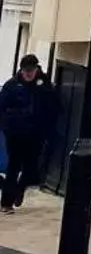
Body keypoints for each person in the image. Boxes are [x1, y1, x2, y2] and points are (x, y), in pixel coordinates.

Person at [0, 55, 57, 212]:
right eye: (26, 71)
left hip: (36, 134)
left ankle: (20, 189)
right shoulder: (11, 86)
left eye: (31, 71)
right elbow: (2, 108)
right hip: (16, 133)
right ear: (21, 70)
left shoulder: (45, 85)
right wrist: (7, 126)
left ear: (36, 69)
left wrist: (47, 129)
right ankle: (6, 203)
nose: (29, 74)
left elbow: (53, 107)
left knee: (31, 167)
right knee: (13, 166)